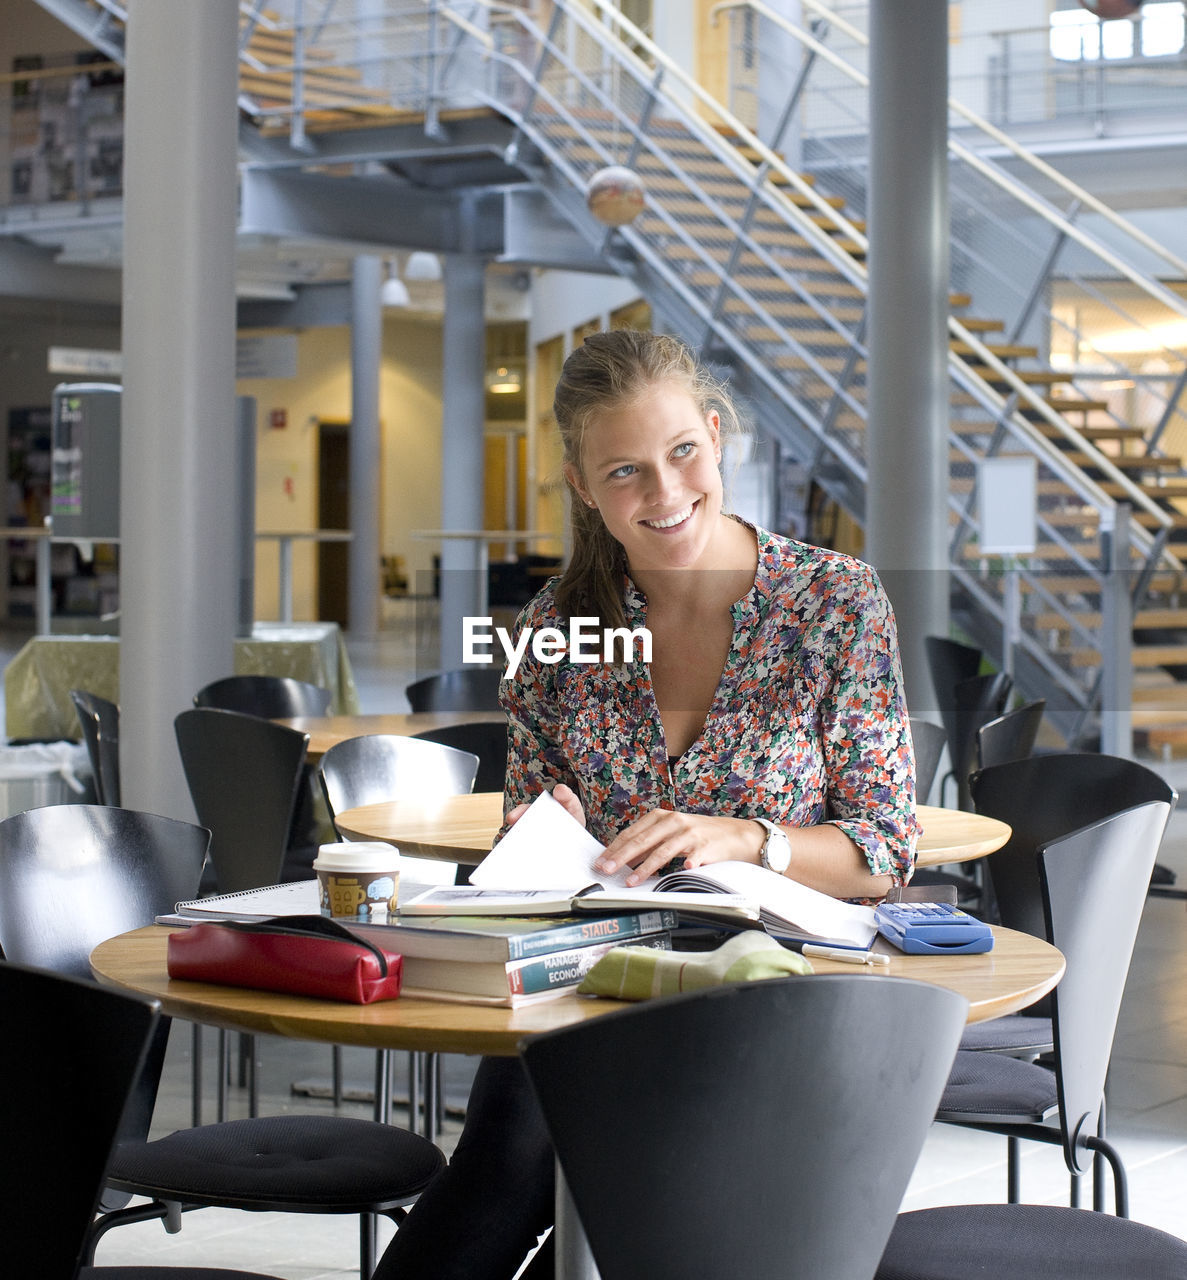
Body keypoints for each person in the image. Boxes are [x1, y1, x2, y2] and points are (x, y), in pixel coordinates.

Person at [372, 329, 919, 1280]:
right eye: (625, 471)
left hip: (767, 1002)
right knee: (497, 1179)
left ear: (714, 437)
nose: (664, 495)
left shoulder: (832, 603)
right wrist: (547, 841)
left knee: (642, 1219)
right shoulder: (559, 627)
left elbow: (883, 850)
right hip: (587, 982)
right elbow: (524, 839)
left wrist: (749, 841)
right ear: (585, 487)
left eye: (681, 454)